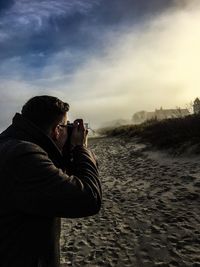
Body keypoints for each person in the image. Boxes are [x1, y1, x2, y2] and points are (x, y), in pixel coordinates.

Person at [0, 95, 102, 267]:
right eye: (65, 126)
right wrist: (80, 148)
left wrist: (68, 153)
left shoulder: (10, 143)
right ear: (57, 130)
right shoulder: (23, 155)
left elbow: (57, 177)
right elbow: (89, 198)